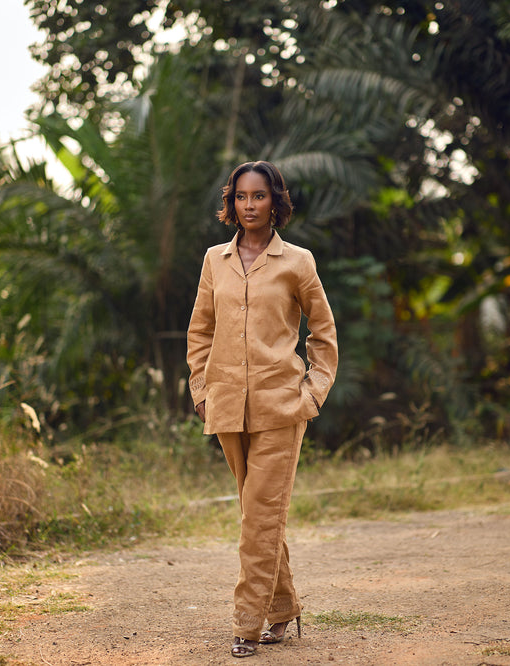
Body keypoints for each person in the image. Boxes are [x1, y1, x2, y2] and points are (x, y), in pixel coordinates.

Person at [187, 161, 338, 658]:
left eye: (259, 196)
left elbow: (323, 331)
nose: (249, 205)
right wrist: (201, 390)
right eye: (240, 197)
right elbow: (201, 331)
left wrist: (312, 393)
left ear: (276, 200)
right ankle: (284, 607)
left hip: (281, 405)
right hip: (227, 405)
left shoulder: (298, 262)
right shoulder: (215, 260)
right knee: (260, 514)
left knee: (259, 518)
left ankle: (248, 624)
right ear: (231, 203)